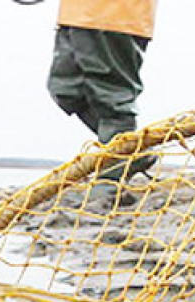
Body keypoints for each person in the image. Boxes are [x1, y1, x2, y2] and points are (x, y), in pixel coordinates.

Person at [46, 0, 158, 183]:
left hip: (116, 15)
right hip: (75, 15)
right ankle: (132, 151)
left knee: (111, 98)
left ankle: (112, 178)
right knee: (66, 90)